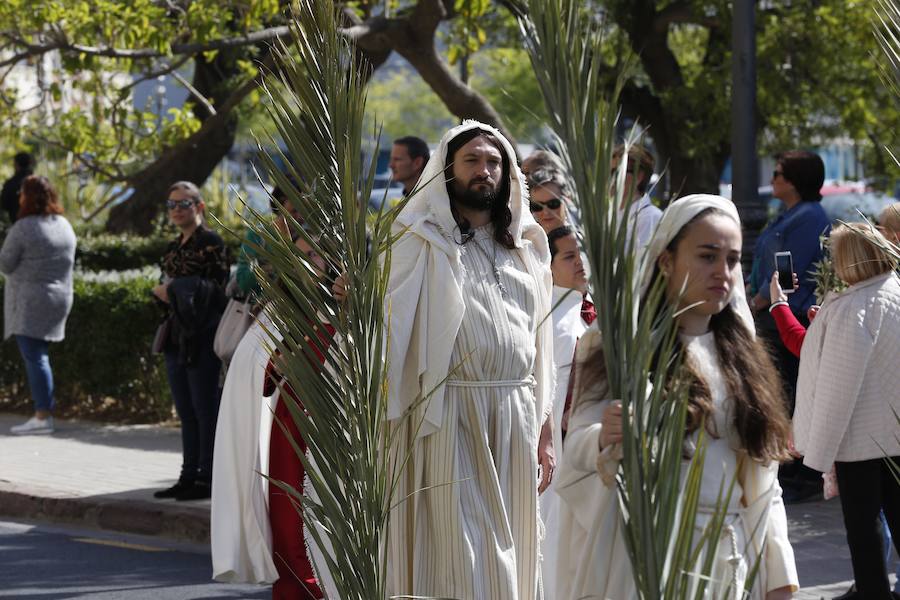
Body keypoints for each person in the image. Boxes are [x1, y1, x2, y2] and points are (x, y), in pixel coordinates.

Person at [555, 194, 798, 600]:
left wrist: (779, 579)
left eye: (733, 260)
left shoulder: (745, 358)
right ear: (666, 261)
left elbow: (763, 483)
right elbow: (577, 451)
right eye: (707, 256)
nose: (723, 271)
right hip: (646, 562)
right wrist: (604, 435)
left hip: (731, 562)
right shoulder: (615, 347)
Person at [364, 121, 555, 599]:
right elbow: (388, 324)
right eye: (472, 160)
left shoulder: (528, 248)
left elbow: (542, 345)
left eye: (494, 162)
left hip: (514, 418)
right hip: (449, 417)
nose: (484, 170)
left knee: (512, 552)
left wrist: (545, 433)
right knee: (466, 560)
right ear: (447, 170)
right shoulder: (418, 237)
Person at [794, 223, 900, 600]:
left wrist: (816, 454)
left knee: (864, 529)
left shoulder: (854, 308)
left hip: (861, 443)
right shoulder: (892, 293)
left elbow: (839, 389)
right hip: (893, 436)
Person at [747, 150, 831, 503]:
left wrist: (756, 303)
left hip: (789, 317)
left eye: (779, 173)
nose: (773, 178)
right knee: (782, 390)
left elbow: (787, 272)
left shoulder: (809, 217)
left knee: (792, 392)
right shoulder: (791, 214)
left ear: (795, 180)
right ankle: (791, 464)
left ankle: (804, 471)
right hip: (776, 316)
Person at [153, 181, 228, 501]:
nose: (176, 210)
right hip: (176, 335)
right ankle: (187, 475)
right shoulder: (172, 248)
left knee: (204, 407)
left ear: (199, 206)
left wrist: (173, 290)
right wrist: (169, 293)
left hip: (203, 334)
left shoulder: (211, 242)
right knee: (185, 410)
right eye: (171, 205)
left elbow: (217, 289)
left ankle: (207, 477)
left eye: (183, 204)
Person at [1, 175, 76, 435]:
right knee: (40, 355)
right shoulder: (64, 225)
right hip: (59, 297)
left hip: (30, 301)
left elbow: (6, 263)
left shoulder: (23, 228)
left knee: (35, 356)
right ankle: (44, 412)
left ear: (26, 197)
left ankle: (43, 415)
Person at [540, 225, 591, 594]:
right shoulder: (549, 324)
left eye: (582, 254)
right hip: (562, 460)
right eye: (570, 256)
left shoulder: (592, 314)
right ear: (550, 265)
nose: (580, 263)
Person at [611, 143, 662, 251]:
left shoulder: (650, 218)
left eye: (617, 172)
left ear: (639, 176)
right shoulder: (608, 214)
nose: (610, 179)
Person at [527, 167, 570, 233]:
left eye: (553, 204)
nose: (546, 212)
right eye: (537, 206)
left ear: (567, 200)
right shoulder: (523, 241)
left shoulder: (583, 240)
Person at [1, 152, 34, 224]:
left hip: (17, 223)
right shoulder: (40, 182)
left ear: (16, 164)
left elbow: (4, 205)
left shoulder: (10, 184)